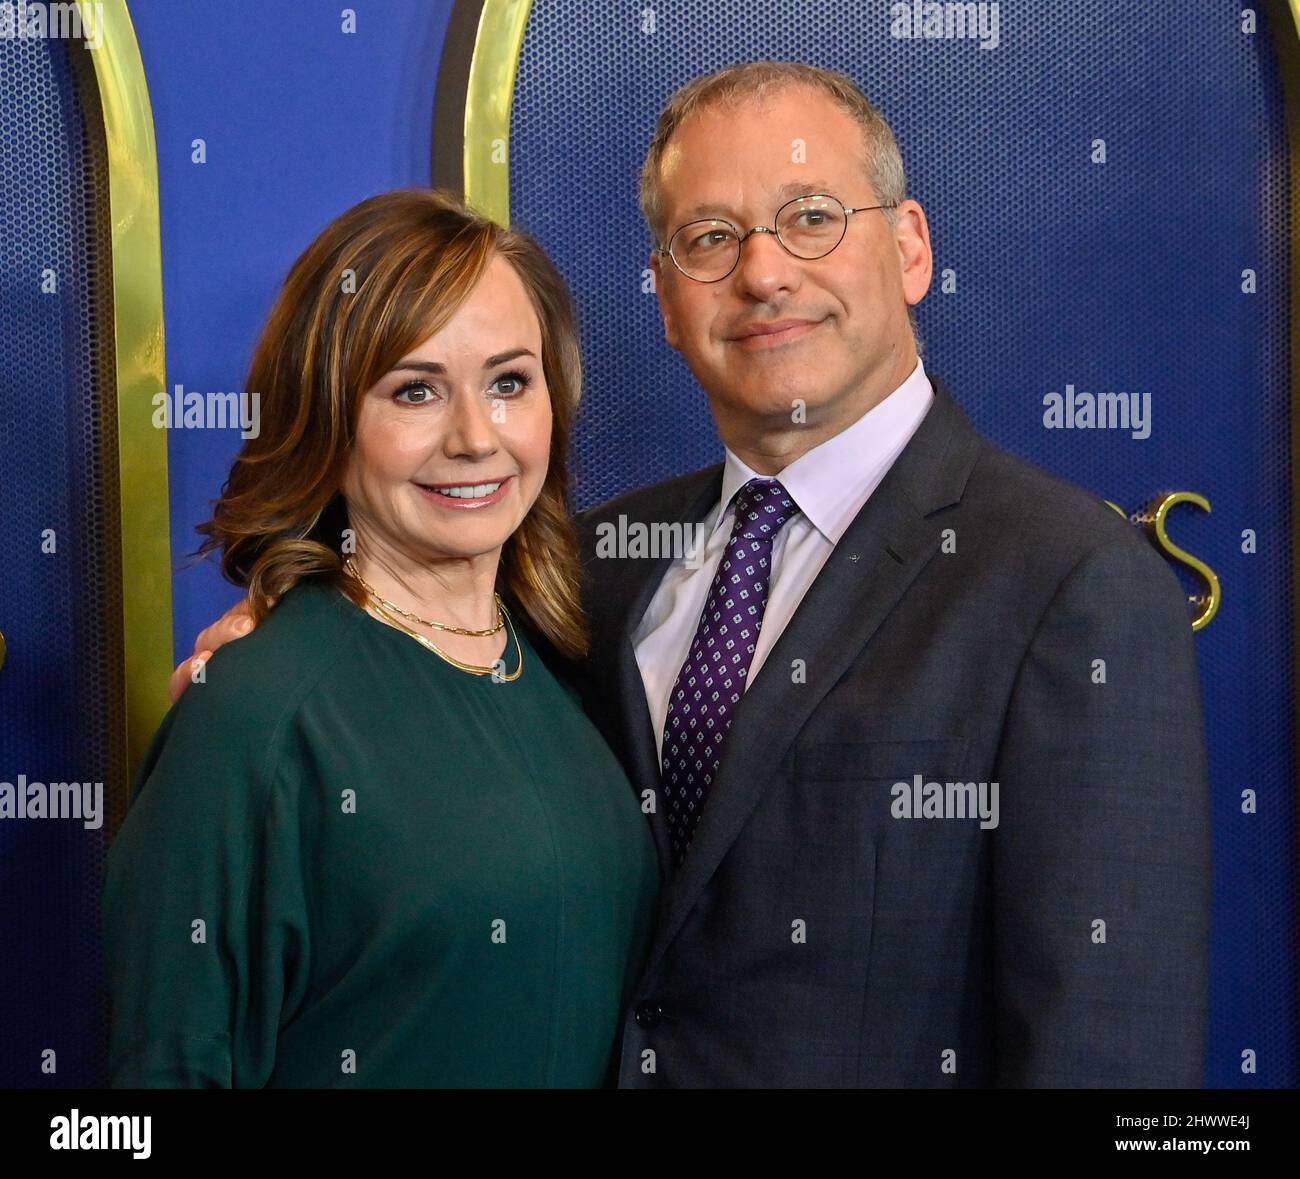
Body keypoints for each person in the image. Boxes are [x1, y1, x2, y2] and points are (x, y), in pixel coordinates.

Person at [174, 62, 1211, 1088]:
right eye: (709, 239)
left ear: (908, 248)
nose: (763, 275)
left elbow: (1109, 1048)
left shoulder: (1068, 582)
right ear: (666, 300)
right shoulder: (583, 569)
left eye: (810, 218)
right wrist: (279, 650)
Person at [103, 189, 660, 1088]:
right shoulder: (252, 714)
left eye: (510, 382)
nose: (476, 436)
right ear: (327, 417)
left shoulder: (567, 659)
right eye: (415, 390)